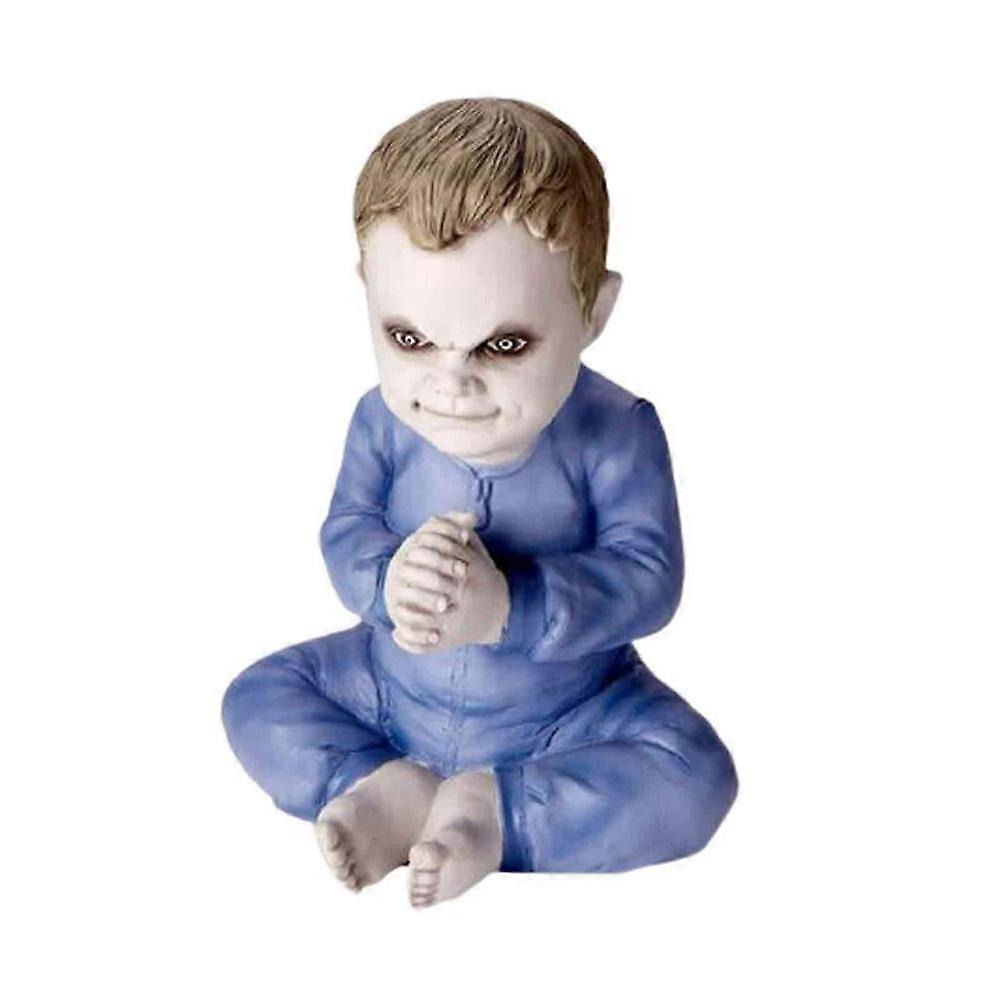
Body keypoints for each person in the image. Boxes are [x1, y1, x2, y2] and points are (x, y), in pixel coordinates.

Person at [222, 98, 737, 908]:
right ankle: (383, 786)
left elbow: (649, 578)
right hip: (388, 685)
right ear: (367, 291)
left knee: (696, 778)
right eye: (408, 339)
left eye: (503, 346)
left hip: (571, 710)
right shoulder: (380, 420)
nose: (449, 385)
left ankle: (499, 812)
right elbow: (347, 528)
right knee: (257, 697)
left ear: (593, 312)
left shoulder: (618, 431)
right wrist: (387, 582)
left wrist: (511, 606)